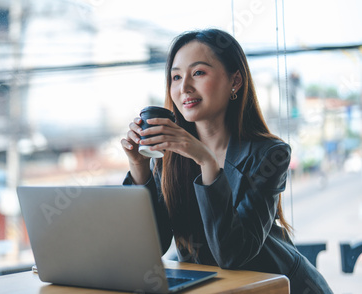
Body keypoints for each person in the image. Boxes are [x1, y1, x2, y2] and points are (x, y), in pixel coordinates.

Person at [121, 28, 332, 293]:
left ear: (235, 81)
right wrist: (139, 168)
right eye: (176, 76)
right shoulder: (168, 157)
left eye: (198, 73)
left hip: (277, 286)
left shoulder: (269, 153)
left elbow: (232, 254)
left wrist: (207, 164)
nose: (184, 87)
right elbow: (151, 248)